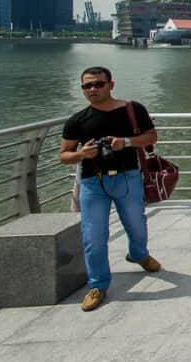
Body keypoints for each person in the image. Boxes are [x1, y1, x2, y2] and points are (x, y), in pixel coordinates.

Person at [59, 66, 161, 312]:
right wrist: (81, 154)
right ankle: (98, 285)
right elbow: (63, 155)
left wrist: (124, 142)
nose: (93, 89)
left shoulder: (133, 110)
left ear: (111, 85)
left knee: (137, 225)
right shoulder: (77, 121)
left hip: (127, 178)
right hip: (93, 183)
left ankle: (139, 254)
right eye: (87, 86)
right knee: (94, 237)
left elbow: (151, 137)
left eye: (98, 84)